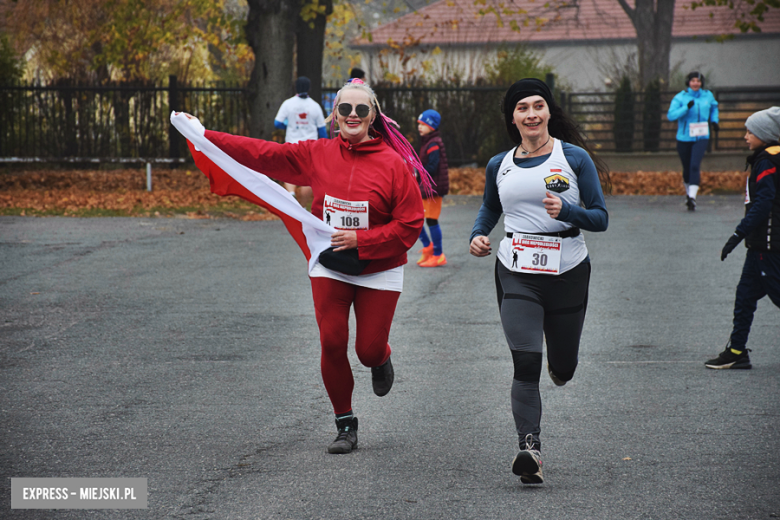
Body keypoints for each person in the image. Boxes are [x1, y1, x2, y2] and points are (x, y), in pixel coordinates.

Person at [182, 79, 431, 454]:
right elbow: (263, 153)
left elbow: (410, 224)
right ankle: (345, 423)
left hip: (379, 266)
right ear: (333, 115)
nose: (352, 115)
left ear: (373, 116)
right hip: (329, 262)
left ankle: (381, 358)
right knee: (332, 341)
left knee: (367, 349)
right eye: (344, 109)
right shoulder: (317, 153)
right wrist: (203, 134)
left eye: (361, 110)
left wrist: (362, 241)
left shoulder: (393, 165)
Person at [469, 78, 609, 484]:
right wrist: (479, 235)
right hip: (516, 270)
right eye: (522, 108)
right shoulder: (500, 164)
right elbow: (489, 208)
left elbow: (599, 217)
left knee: (562, 366)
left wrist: (569, 211)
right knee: (526, 361)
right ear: (512, 118)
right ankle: (530, 448)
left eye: (538, 106)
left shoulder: (574, 158)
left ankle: (561, 366)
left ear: (549, 111)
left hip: (567, 270)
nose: (531, 114)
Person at [707, 106, 780, 370]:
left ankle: (737, 350)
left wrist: (738, 234)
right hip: (759, 246)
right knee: (745, 296)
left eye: (751, 131)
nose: (745, 136)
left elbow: (764, 203)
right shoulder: (765, 157)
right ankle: (737, 351)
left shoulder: (767, 161)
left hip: (769, 245)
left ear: (766, 134)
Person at [667, 71, 719, 211]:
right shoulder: (681, 97)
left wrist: (714, 121)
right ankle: (688, 193)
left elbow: (714, 107)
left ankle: (692, 198)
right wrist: (685, 108)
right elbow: (671, 115)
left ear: (702, 83)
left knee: (695, 166)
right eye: (693, 81)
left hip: (701, 136)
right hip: (684, 137)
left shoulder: (707, 95)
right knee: (687, 169)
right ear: (688, 82)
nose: (696, 83)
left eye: (698, 81)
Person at [274, 76, 328, 206]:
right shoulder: (315, 106)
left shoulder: (288, 103)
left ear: (295, 87)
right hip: (310, 147)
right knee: (308, 177)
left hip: (291, 144)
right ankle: (302, 206)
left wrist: (288, 126)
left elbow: (277, 123)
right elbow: (322, 130)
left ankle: (291, 194)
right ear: (309, 88)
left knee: (289, 171)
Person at [415, 109, 450, 267]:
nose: (419, 127)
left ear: (432, 126)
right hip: (427, 188)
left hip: (434, 189)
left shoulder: (433, 144)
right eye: (419, 124)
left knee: (431, 220)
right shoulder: (428, 142)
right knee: (417, 218)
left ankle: (438, 254)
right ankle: (428, 247)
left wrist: (418, 173)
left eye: (423, 125)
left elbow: (432, 167)